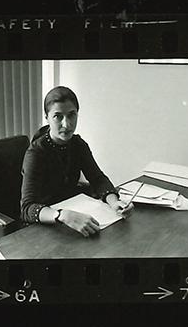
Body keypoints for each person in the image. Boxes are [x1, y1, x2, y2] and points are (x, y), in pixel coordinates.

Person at [19, 85, 132, 237]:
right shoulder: (35, 153)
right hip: (44, 225)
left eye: (71, 115)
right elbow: (27, 208)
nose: (67, 124)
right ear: (47, 118)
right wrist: (61, 215)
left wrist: (114, 202)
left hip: (74, 217)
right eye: (58, 116)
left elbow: (97, 178)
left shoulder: (78, 144)